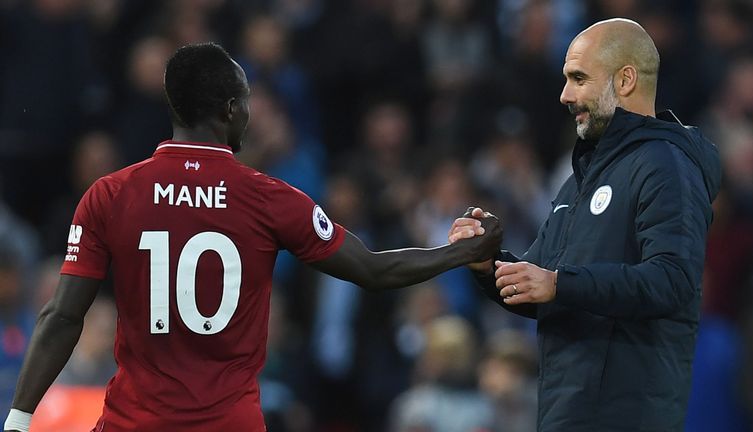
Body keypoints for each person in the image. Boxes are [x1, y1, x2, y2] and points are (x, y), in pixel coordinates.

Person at [3, 42, 502, 432]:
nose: (250, 114)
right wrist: (459, 252)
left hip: (135, 423)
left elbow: (62, 315)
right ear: (229, 110)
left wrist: (19, 419)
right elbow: (373, 269)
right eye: (245, 102)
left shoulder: (110, 195)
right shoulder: (270, 198)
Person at [449, 18, 721, 431]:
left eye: (578, 78)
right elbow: (538, 284)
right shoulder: (580, 178)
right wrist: (487, 264)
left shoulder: (666, 164)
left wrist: (561, 284)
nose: (565, 94)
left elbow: (672, 280)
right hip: (566, 413)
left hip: (626, 417)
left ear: (625, 80)